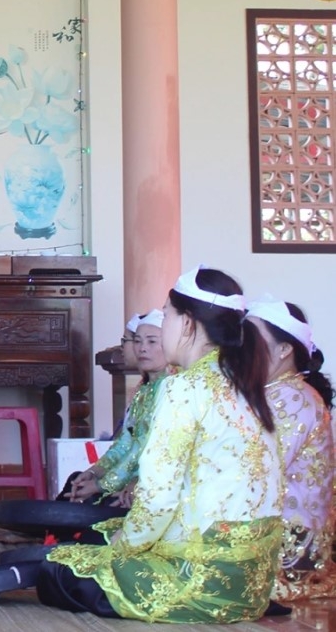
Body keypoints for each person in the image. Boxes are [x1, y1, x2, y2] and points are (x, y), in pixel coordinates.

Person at [37, 265, 283, 622]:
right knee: (91, 543)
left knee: (57, 571)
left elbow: (158, 497)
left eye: (166, 316)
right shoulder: (244, 382)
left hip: (200, 582)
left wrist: (122, 546)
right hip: (251, 583)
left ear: (186, 324)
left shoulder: (182, 388)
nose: (160, 327)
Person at [248, 296, 335, 601]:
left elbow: (257, 473)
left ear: (284, 350)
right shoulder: (273, 392)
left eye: (253, 339)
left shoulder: (293, 398)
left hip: (292, 545)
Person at [69, 309, 168, 507]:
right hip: (127, 479)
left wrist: (103, 485)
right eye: (137, 341)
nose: (142, 349)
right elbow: (125, 443)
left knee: (93, 506)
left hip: (151, 484)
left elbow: (145, 448)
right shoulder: (143, 391)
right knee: (76, 481)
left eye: (151, 341)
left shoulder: (172, 389)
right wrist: (94, 472)